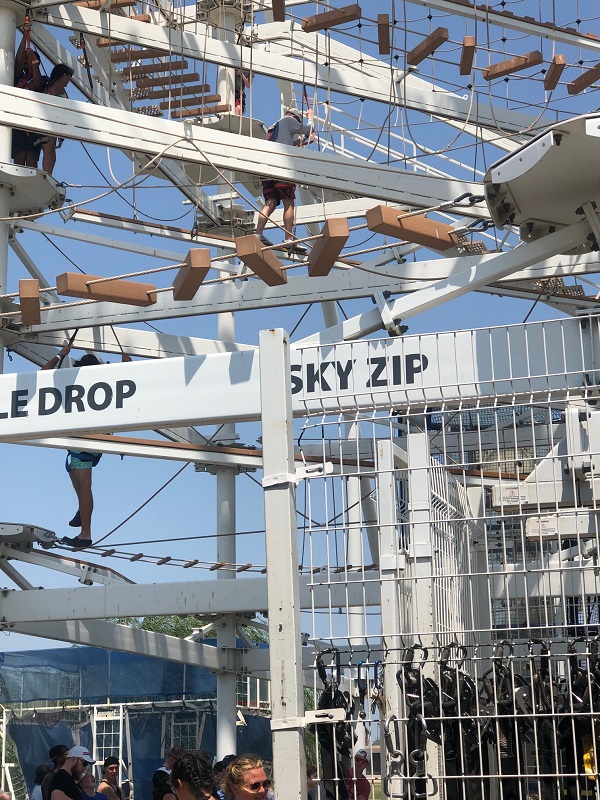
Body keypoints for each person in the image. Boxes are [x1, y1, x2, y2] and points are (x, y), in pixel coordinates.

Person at [42, 339, 132, 549]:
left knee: (84, 487)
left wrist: (61, 354)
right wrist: (124, 354)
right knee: (77, 480)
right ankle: (82, 513)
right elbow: (130, 370)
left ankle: (85, 534)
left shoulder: (77, 384)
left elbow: (43, 372)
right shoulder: (104, 383)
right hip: (86, 440)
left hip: (87, 440)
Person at [255, 106, 314, 254]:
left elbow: (289, 143)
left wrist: (304, 141)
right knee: (289, 202)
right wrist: (310, 118)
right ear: (295, 117)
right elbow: (308, 129)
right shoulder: (289, 120)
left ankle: (258, 233)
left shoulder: (273, 128)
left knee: (271, 202)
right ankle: (288, 239)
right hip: (282, 167)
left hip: (268, 171)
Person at [12, 25, 45, 167]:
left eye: (28, 60)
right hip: (18, 120)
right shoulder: (19, 77)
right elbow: (18, 62)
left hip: (32, 122)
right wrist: (25, 35)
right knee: (19, 155)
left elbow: (38, 86)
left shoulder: (42, 79)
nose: (26, 62)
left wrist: (34, 63)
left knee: (31, 156)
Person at [37, 64, 74, 175]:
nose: (69, 80)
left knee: (50, 151)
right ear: (63, 75)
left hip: (48, 127)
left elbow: (64, 116)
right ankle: (46, 176)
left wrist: (61, 134)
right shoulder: (46, 85)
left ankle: (46, 176)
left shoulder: (60, 93)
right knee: (50, 151)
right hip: (42, 124)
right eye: (68, 76)